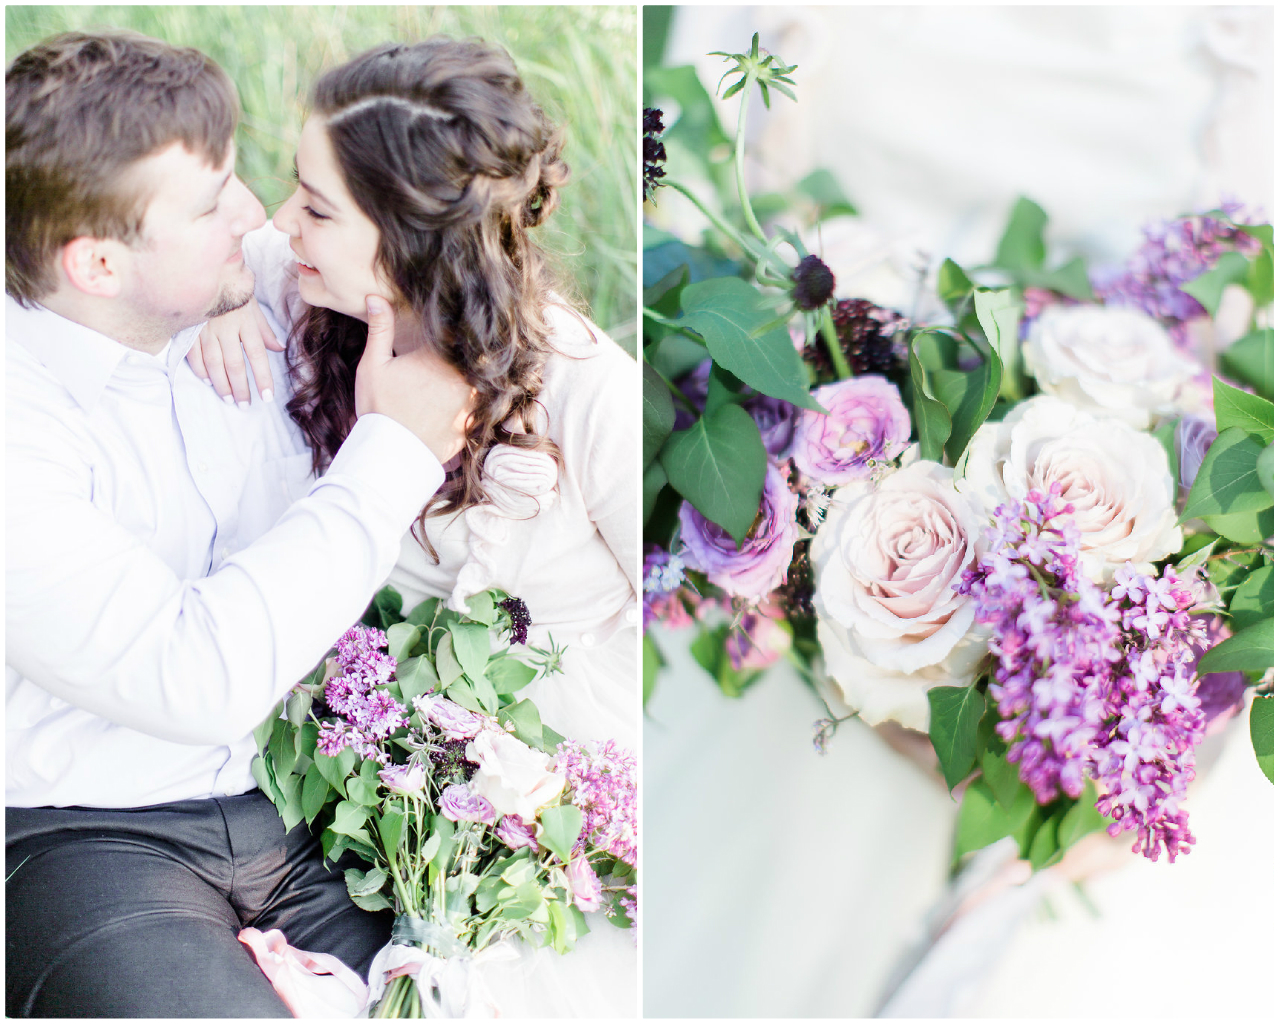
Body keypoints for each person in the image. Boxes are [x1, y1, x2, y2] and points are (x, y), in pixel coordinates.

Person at [5, 29, 475, 1018]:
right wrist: (387, 456)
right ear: (96, 262)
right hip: (81, 834)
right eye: (213, 200)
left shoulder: (242, 282)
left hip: (293, 808)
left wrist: (206, 289)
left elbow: (441, 262)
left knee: (484, 991)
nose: (255, 215)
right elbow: (193, 677)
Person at [190, 38, 640, 1016]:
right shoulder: (305, 287)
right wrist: (221, 298)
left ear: (410, 236)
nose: (279, 223)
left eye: (314, 207)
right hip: (370, 775)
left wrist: (560, 801)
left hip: (561, 790)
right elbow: (158, 252)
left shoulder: (588, 391)